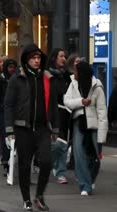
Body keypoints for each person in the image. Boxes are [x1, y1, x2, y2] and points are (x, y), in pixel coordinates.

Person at [4, 43, 59, 212]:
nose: (36, 61)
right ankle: (26, 200)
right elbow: (9, 105)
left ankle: (39, 196)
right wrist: (9, 129)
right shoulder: (17, 79)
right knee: (25, 166)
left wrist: (55, 128)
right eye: (33, 58)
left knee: (46, 162)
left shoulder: (47, 78)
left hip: (42, 128)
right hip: (23, 128)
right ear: (26, 60)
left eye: (38, 58)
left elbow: (53, 105)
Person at [64, 62, 108, 195]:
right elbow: (66, 101)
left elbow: (102, 111)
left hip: (94, 126)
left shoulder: (97, 87)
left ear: (82, 73)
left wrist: (102, 136)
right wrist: (80, 102)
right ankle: (85, 185)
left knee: (94, 157)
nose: (74, 74)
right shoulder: (73, 84)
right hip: (79, 123)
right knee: (79, 155)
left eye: (76, 72)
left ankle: (90, 178)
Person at [0, 58, 17, 176]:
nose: (12, 69)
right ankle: (6, 164)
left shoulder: (18, 80)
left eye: (13, 67)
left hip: (16, 114)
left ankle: (12, 163)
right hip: (2, 115)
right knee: (6, 139)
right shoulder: (0, 82)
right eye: (10, 67)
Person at [47, 48, 70, 184]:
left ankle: (60, 172)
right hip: (50, 112)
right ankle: (52, 164)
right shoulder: (48, 75)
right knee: (54, 144)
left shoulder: (66, 75)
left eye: (64, 56)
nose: (63, 58)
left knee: (63, 144)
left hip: (65, 112)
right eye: (61, 56)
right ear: (54, 58)